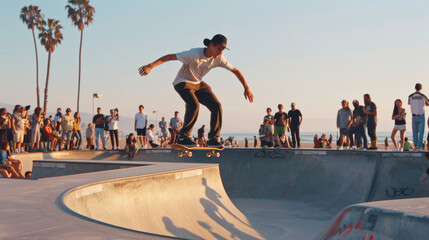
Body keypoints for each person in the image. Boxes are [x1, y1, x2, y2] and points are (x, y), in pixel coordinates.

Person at [139, 34, 254, 147]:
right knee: (194, 104)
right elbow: (169, 57)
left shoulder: (219, 58)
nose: (220, 53)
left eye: (222, 50)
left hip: (198, 83)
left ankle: (213, 139)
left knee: (216, 106)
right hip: (182, 82)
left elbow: (235, 71)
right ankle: (183, 137)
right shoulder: (193, 54)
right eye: (219, 49)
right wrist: (150, 66)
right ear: (211, 45)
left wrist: (246, 88)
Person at [409, 83, 429, 151]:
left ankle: (415, 146)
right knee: (421, 132)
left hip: (414, 115)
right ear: (421, 88)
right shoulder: (423, 96)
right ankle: (419, 147)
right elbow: (427, 104)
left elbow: (409, 103)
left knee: (414, 132)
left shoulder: (410, 96)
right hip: (421, 115)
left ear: (415, 87)